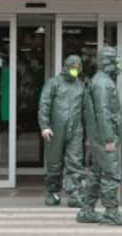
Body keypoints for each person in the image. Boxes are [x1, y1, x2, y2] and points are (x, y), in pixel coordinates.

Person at [77, 47, 122, 226]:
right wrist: (109, 138)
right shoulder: (103, 83)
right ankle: (111, 212)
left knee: (97, 172)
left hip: (99, 136)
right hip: (105, 138)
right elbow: (102, 113)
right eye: (115, 60)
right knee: (111, 173)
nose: (118, 64)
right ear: (106, 62)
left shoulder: (101, 80)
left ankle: (86, 209)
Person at [38, 55, 85, 208]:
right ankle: (52, 192)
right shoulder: (54, 83)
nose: (75, 70)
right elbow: (44, 104)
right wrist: (44, 125)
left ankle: (75, 194)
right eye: (73, 67)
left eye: (78, 68)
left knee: (75, 162)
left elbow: (85, 109)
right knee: (54, 163)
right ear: (66, 66)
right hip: (55, 130)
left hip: (75, 130)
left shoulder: (81, 85)